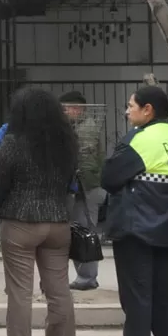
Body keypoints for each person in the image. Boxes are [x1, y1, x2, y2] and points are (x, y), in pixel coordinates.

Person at [0, 88, 79, 336]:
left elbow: (0, 181)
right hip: (58, 222)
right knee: (60, 293)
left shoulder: (14, 142)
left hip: (20, 221)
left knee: (20, 295)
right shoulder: (68, 142)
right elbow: (70, 181)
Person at [103, 85, 168, 336]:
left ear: (148, 110)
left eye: (131, 106)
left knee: (137, 298)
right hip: (167, 228)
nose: (128, 111)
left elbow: (110, 177)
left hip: (136, 228)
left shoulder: (142, 140)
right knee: (165, 298)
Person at [61, 92, 107, 291]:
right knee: (80, 231)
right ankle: (85, 276)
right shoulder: (79, 127)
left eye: (66, 108)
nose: (63, 112)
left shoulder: (86, 129)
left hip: (85, 188)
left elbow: (84, 161)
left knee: (84, 232)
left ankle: (87, 277)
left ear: (77, 109)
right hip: (85, 187)